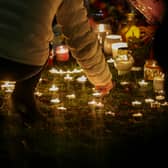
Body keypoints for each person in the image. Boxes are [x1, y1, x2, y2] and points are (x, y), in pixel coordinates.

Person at [0, 0, 114, 123]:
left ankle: (23, 97)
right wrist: (101, 78)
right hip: (26, 62)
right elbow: (79, 33)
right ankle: (23, 97)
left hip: (20, 59)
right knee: (37, 38)